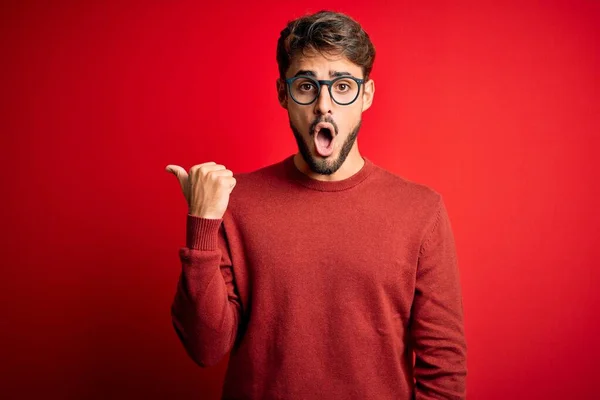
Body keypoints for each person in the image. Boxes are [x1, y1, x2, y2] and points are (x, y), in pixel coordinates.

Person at [165, 10, 467, 400]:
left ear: (367, 96)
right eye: (307, 86)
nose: (324, 105)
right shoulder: (235, 203)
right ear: (282, 94)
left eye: (342, 86)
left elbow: (443, 368)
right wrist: (202, 224)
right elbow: (205, 348)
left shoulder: (421, 211)